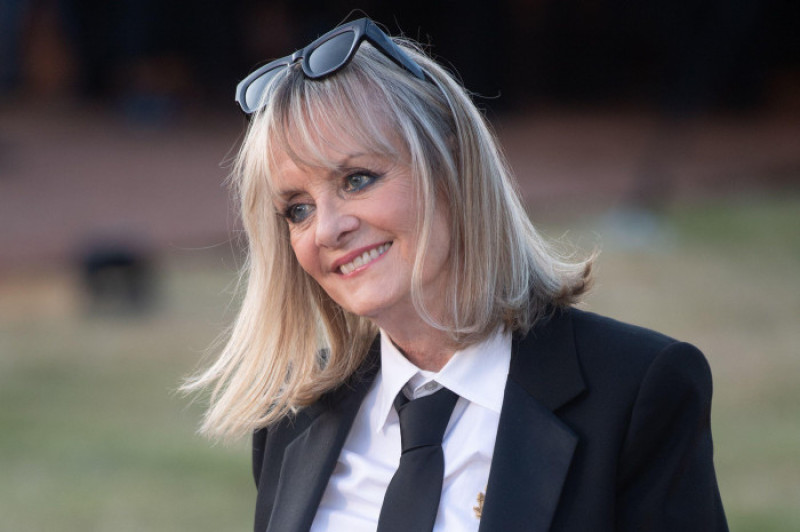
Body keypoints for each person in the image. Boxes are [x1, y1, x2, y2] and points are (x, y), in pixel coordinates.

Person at [184, 17, 728, 532]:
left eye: (357, 179)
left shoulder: (637, 389)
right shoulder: (293, 411)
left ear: (452, 164)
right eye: (298, 209)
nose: (326, 229)